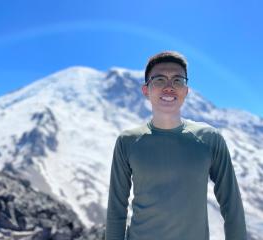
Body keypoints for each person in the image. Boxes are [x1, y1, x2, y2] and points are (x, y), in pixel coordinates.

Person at [105, 51, 247, 240]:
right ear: (146, 90)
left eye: (177, 80)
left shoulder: (210, 138)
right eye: (159, 80)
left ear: (186, 91)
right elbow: (116, 209)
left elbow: (232, 206)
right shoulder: (127, 141)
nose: (169, 87)